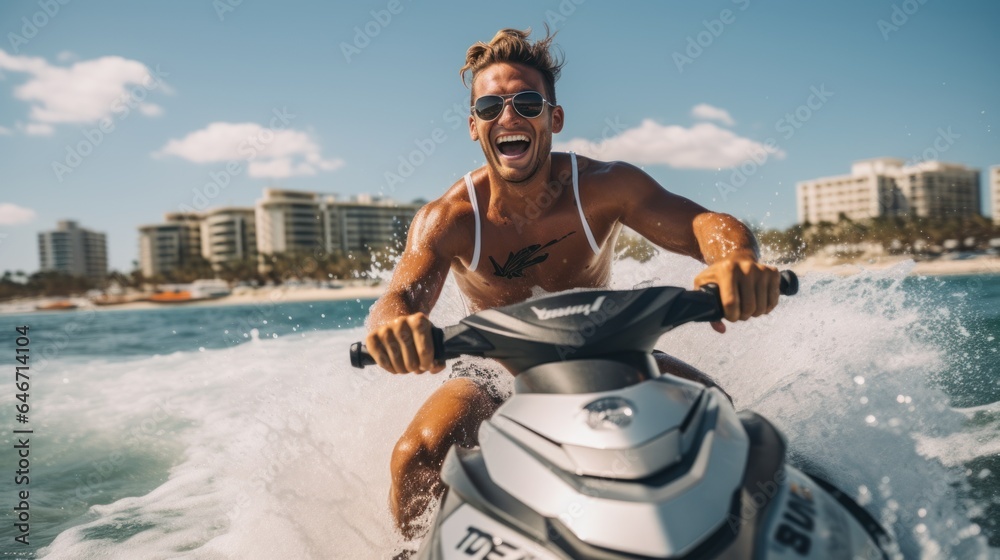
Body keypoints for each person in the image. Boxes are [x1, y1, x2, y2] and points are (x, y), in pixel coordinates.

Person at [364, 27, 781, 537]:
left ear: (554, 117)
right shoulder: (449, 218)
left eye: (527, 101)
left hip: (608, 354)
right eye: (491, 106)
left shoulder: (606, 187)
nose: (509, 116)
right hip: (493, 369)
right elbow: (400, 295)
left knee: (716, 409)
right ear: (474, 126)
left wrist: (734, 259)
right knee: (417, 456)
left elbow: (704, 224)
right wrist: (394, 328)